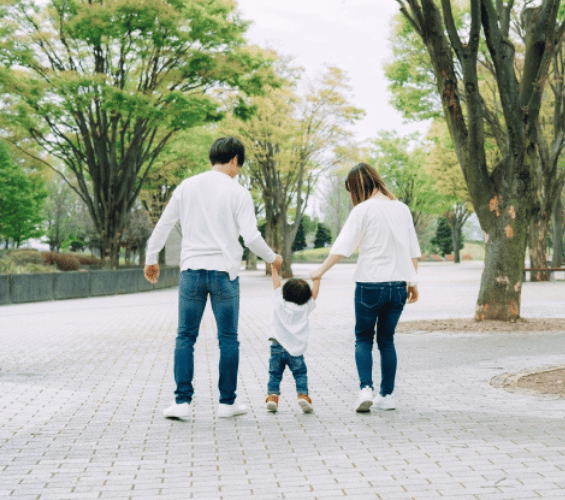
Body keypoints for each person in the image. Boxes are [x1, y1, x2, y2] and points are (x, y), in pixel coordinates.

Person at [144, 136, 282, 420]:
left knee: (185, 336)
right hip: (224, 273)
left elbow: (164, 223)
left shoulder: (187, 186)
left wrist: (151, 258)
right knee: (228, 338)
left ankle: (182, 402)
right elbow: (251, 236)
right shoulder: (239, 193)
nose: (238, 171)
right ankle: (227, 403)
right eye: (239, 165)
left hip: (192, 271)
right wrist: (273, 258)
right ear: (234, 160)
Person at [310, 162, 420, 413]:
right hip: (398, 286)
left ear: (358, 187)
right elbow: (413, 250)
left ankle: (365, 389)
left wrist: (319, 271)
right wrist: (413, 282)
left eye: (351, 191)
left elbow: (342, 247)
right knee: (386, 340)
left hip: (369, 284)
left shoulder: (363, 211)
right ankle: (388, 396)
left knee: (363, 338)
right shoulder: (401, 209)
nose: (352, 197)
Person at [265, 259, 320, 414]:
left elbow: (276, 284)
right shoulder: (305, 307)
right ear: (306, 296)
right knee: (300, 373)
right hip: (296, 350)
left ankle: (272, 398)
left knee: (274, 374)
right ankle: (303, 396)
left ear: (283, 293)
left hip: (276, 346)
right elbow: (314, 296)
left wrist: (274, 268)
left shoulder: (279, 302)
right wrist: (317, 280)